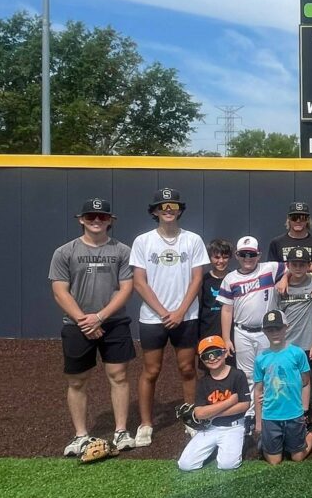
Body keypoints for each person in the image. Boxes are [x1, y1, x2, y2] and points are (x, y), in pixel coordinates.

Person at [50, 198, 136, 456]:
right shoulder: (65, 252)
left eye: (102, 216)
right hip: (77, 325)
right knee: (77, 381)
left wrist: (100, 317)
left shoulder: (122, 251)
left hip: (114, 322)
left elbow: (126, 288)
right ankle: (80, 436)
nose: (96, 221)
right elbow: (59, 291)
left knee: (119, 376)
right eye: (91, 216)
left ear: (110, 220)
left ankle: (121, 431)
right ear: (81, 219)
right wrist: (84, 321)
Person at [129, 188, 209, 448]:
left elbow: (197, 279)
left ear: (180, 210)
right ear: (154, 211)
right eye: (162, 206)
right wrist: (164, 313)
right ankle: (146, 424)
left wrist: (180, 312)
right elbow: (139, 282)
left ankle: (191, 418)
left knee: (187, 369)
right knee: (151, 371)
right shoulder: (143, 241)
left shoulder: (193, 240)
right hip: (154, 318)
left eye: (173, 205)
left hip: (186, 317)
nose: (168, 210)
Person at [217, 235, 286, 427]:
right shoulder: (230, 278)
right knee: (246, 374)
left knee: (269, 371)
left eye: (252, 254)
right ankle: (249, 413)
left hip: (267, 331)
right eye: (243, 254)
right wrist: (226, 338)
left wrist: (285, 278)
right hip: (242, 332)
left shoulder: (269, 268)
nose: (248, 258)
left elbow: (299, 266)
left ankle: (268, 410)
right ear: (237, 255)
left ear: (259, 254)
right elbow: (227, 309)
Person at [252, 309, 312, 465]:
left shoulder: (297, 353)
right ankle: (268, 441)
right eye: (270, 329)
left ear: (286, 327)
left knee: (297, 457)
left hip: (294, 414)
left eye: (278, 328)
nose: (274, 333)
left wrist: (304, 410)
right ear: (264, 331)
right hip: (271, 415)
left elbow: (306, 382)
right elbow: (258, 390)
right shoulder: (260, 358)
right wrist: (258, 422)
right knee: (275, 461)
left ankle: (310, 434)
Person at [177, 336, 250, 471]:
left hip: (233, 427)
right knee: (185, 465)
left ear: (224, 352)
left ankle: (238, 442)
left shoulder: (237, 375)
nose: (212, 358)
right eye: (206, 355)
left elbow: (244, 405)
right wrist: (229, 402)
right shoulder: (203, 382)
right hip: (210, 428)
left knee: (227, 465)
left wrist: (212, 413)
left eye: (216, 353)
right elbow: (199, 413)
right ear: (202, 360)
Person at [278, 247, 312, 408]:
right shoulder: (280, 287)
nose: (298, 268)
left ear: (308, 265)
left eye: (302, 264)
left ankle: (306, 410)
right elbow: (276, 316)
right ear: (288, 265)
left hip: (307, 341)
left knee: (306, 376)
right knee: (287, 375)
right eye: (294, 264)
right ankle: (290, 405)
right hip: (287, 341)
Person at [198, 239, 232, 344]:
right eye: (216, 257)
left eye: (225, 257)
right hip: (208, 330)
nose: (221, 261)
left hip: (231, 332)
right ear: (209, 258)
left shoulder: (234, 278)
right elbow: (199, 306)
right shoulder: (203, 280)